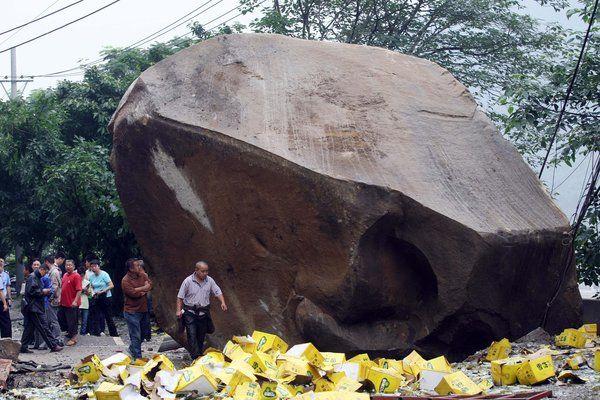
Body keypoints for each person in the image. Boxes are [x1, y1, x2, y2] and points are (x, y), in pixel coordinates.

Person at [176, 261, 227, 359]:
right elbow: (180, 297)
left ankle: (199, 354)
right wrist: (178, 310)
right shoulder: (188, 281)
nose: (205, 273)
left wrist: (222, 302)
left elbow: (217, 291)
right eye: (203, 271)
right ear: (196, 270)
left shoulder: (210, 280)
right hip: (190, 312)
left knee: (201, 334)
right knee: (191, 334)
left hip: (203, 312)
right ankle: (195, 356)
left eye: (207, 271)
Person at [20, 263, 62, 353]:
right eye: (45, 272)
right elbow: (31, 291)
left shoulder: (36, 277)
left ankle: (23, 347)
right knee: (44, 326)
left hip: (33, 307)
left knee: (29, 327)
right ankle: (53, 345)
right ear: (41, 269)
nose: (45, 274)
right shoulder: (33, 277)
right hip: (34, 307)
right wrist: (43, 291)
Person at [121, 258, 152, 360]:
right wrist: (143, 289)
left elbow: (150, 285)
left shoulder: (143, 275)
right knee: (135, 335)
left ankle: (132, 349)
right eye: (137, 266)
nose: (140, 267)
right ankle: (138, 358)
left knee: (144, 334)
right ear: (131, 269)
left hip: (143, 309)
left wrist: (139, 290)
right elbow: (133, 293)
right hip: (131, 311)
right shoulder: (125, 280)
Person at [88, 260, 118, 337]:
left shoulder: (104, 274)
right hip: (96, 297)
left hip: (106, 297)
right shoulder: (91, 277)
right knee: (96, 315)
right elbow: (91, 286)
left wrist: (103, 291)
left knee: (108, 316)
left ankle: (113, 333)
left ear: (98, 266)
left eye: (95, 266)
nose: (93, 268)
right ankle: (97, 332)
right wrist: (92, 292)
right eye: (92, 267)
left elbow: (111, 285)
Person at [60, 259, 82, 346]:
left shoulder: (76, 276)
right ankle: (69, 332)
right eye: (66, 265)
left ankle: (74, 338)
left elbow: (79, 290)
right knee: (62, 318)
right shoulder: (65, 275)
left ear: (74, 266)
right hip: (64, 302)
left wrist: (75, 301)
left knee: (72, 321)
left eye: (70, 265)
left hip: (72, 303)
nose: (68, 267)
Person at [46, 255, 63, 346]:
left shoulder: (53, 272)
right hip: (55, 298)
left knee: (53, 320)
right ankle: (54, 338)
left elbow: (54, 286)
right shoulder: (56, 271)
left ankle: (57, 339)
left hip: (53, 299)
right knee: (51, 319)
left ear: (47, 262)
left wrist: (49, 297)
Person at [138, 259, 152, 342]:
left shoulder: (144, 275)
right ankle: (144, 335)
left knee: (145, 317)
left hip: (145, 298)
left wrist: (138, 291)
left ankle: (145, 335)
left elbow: (147, 287)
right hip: (142, 297)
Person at [79, 262, 92, 335]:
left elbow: (90, 294)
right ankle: (74, 333)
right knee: (75, 320)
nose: (81, 277)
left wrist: (86, 291)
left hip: (85, 302)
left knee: (84, 320)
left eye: (82, 275)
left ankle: (83, 333)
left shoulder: (87, 282)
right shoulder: (75, 281)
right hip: (77, 303)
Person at [0, 258, 11, 337]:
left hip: (4, 298)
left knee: (6, 322)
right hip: (1, 300)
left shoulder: (6, 275)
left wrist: (9, 298)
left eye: (1, 262)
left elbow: (8, 286)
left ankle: (6, 340)